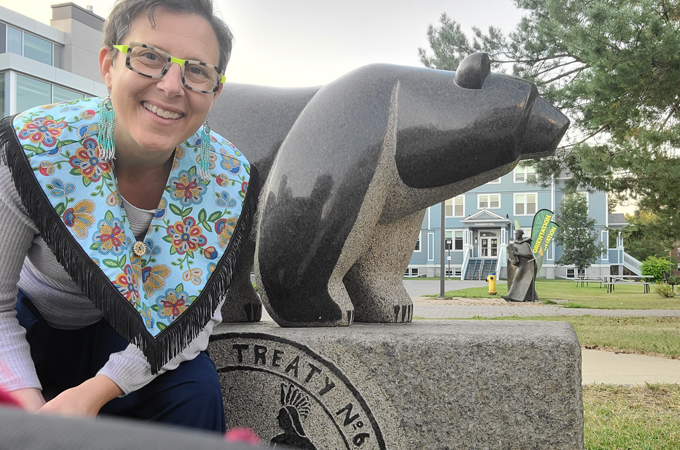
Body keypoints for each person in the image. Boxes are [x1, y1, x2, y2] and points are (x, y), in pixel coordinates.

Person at [0, 0, 256, 433]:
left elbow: (189, 321)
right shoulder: (35, 148)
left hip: (126, 332)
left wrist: (96, 391)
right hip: (28, 324)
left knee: (196, 390)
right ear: (108, 65)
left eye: (197, 71)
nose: (171, 86)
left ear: (215, 91)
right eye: (149, 57)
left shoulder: (226, 178)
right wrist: (33, 419)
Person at [502, 229, 538, 302]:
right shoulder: (514, 244)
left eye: (517, 234)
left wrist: (517, 254)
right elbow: (510, 254)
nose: (516, 235)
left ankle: (510, 296)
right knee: (525, 281)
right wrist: (511, 257)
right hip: (517, 264)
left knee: (517, 279)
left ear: (521, 234)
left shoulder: (525, 244)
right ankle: (531, 296)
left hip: (526, 266)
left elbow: (529, 255)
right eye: (515, 234)